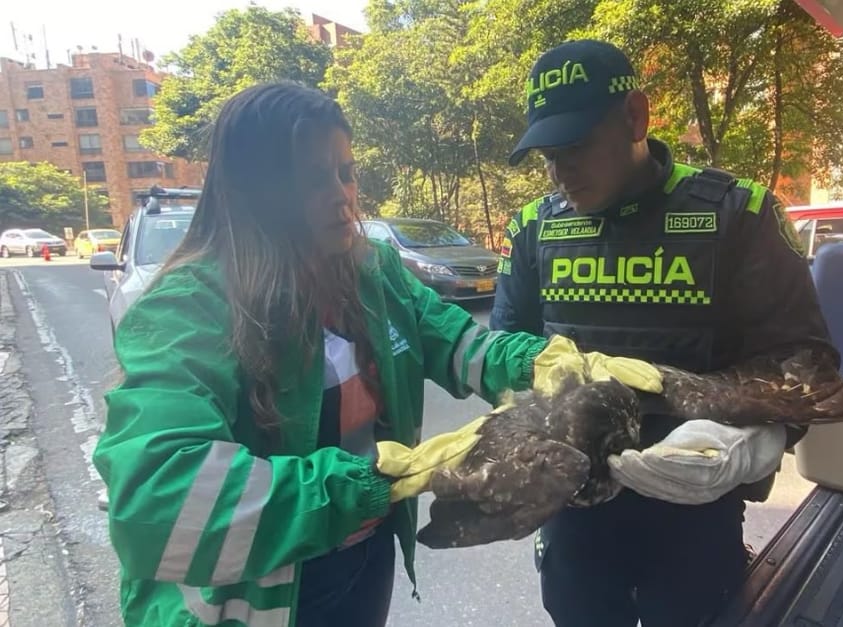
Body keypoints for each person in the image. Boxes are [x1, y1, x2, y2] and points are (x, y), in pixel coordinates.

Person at [92, 80, 663, 627]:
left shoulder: (374, 274)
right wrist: (360, 483)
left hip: (362, 558)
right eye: (313, 179)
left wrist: (541, 362)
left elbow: (463, 343)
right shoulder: (189, 308)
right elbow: (154, 500)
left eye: (346, 173)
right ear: (257, 192)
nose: (340, 196)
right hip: (248, 595)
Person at [491, 39, 843, 626]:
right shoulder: (534, 229)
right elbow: (503, 358)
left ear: (635, 116)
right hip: (576, 510)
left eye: (576, 146)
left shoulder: (738, 214)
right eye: (547, 156)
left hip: (694, 513)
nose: (559, 172)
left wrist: (749, 441)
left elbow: (807, 362)